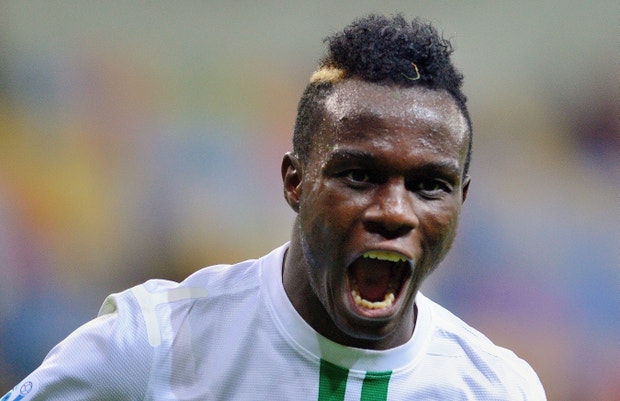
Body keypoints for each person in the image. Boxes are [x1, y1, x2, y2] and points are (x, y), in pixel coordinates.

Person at [2, 14, 546, 400]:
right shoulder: (153, 343)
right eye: (359, 175)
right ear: (295, 181)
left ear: (461, 202)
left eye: (430, 185)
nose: (395, 212)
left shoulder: (497, 388)